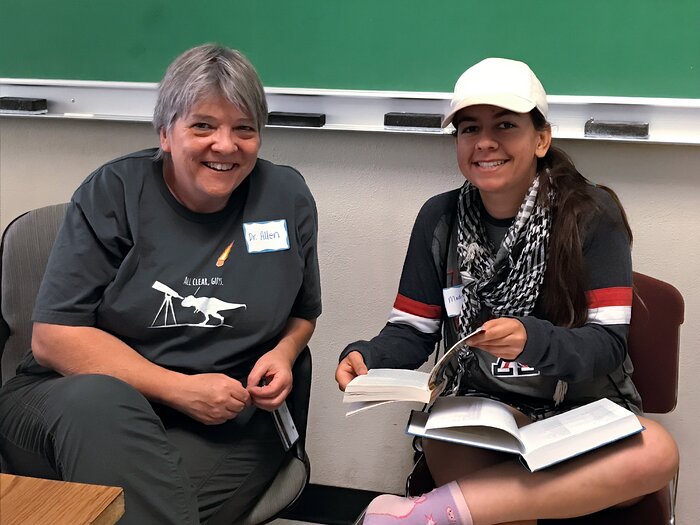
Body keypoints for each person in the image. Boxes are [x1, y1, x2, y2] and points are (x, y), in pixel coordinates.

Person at [335, 58, 678, 525]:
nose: (485, 142)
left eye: (505, 125)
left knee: (657, 451)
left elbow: (607, 345)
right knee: (446, 435)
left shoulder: (592, 214)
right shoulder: (440, 218)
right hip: (486, 413)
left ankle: (418, 516)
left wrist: (532, 340)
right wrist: (368, 356)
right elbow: (412, 331)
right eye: (469, 128)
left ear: (542, 138)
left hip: (579, 414)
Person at [0, 44, 321, 524]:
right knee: (105, 409)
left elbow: (302, 312)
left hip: (224, 419)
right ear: (165, 133)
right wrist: (178, 389)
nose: (226, 145)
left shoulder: (286, 196)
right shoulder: (113, 192)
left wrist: (283, 353)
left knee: (137, 507)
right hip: (75, 402)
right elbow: (53, 339)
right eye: (203, 126)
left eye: (245, 129)